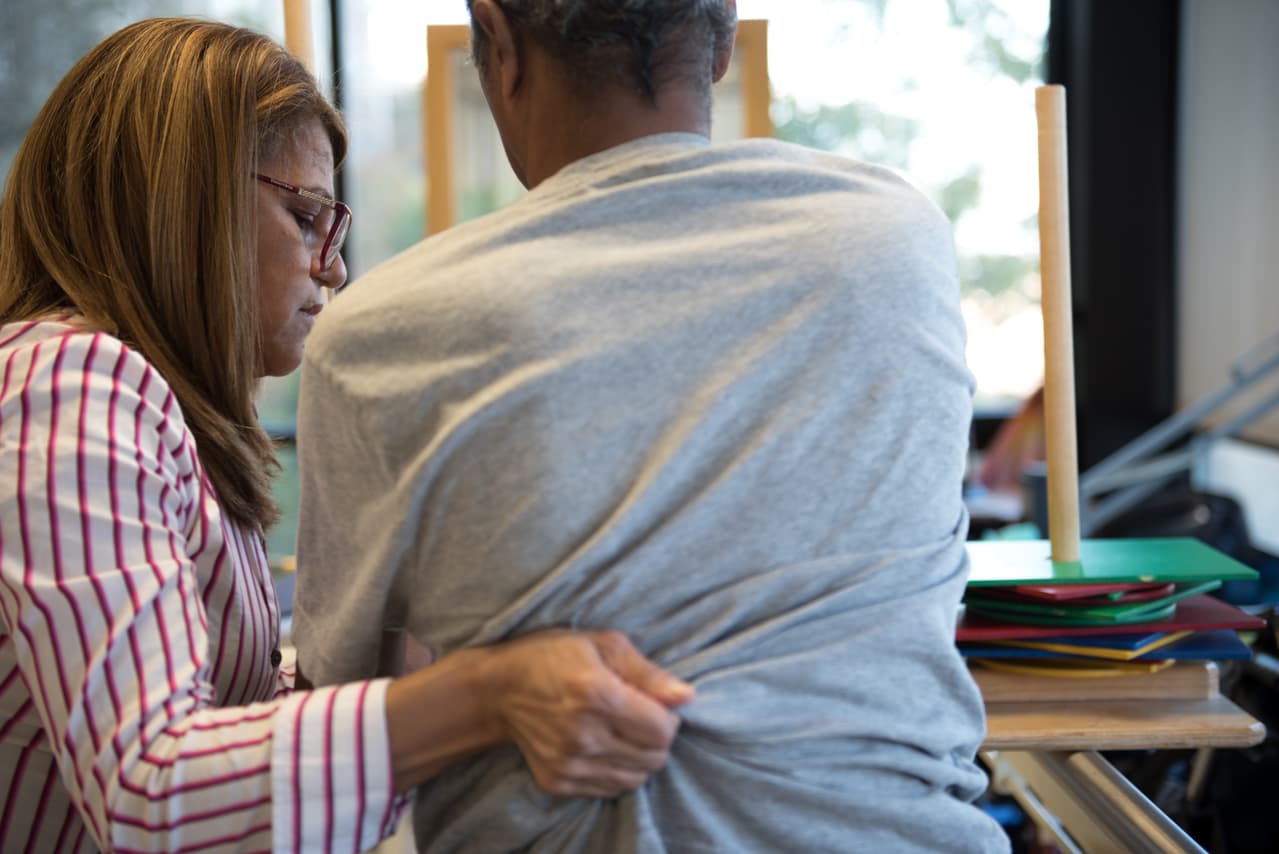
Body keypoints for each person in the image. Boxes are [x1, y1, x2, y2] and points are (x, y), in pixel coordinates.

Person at [292, 1, 1010, 851]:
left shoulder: (382, 330)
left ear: (501, 43)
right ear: (722, 42)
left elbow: (344, 715)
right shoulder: (898, 240)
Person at [0, 17, 694, 853]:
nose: (332, 265)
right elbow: (154, 790)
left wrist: (408, 619)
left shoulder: (153, 413)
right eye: (304, 217)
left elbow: (226, 715)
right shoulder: (74, 380)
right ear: (181, 200)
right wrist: (485, 694)